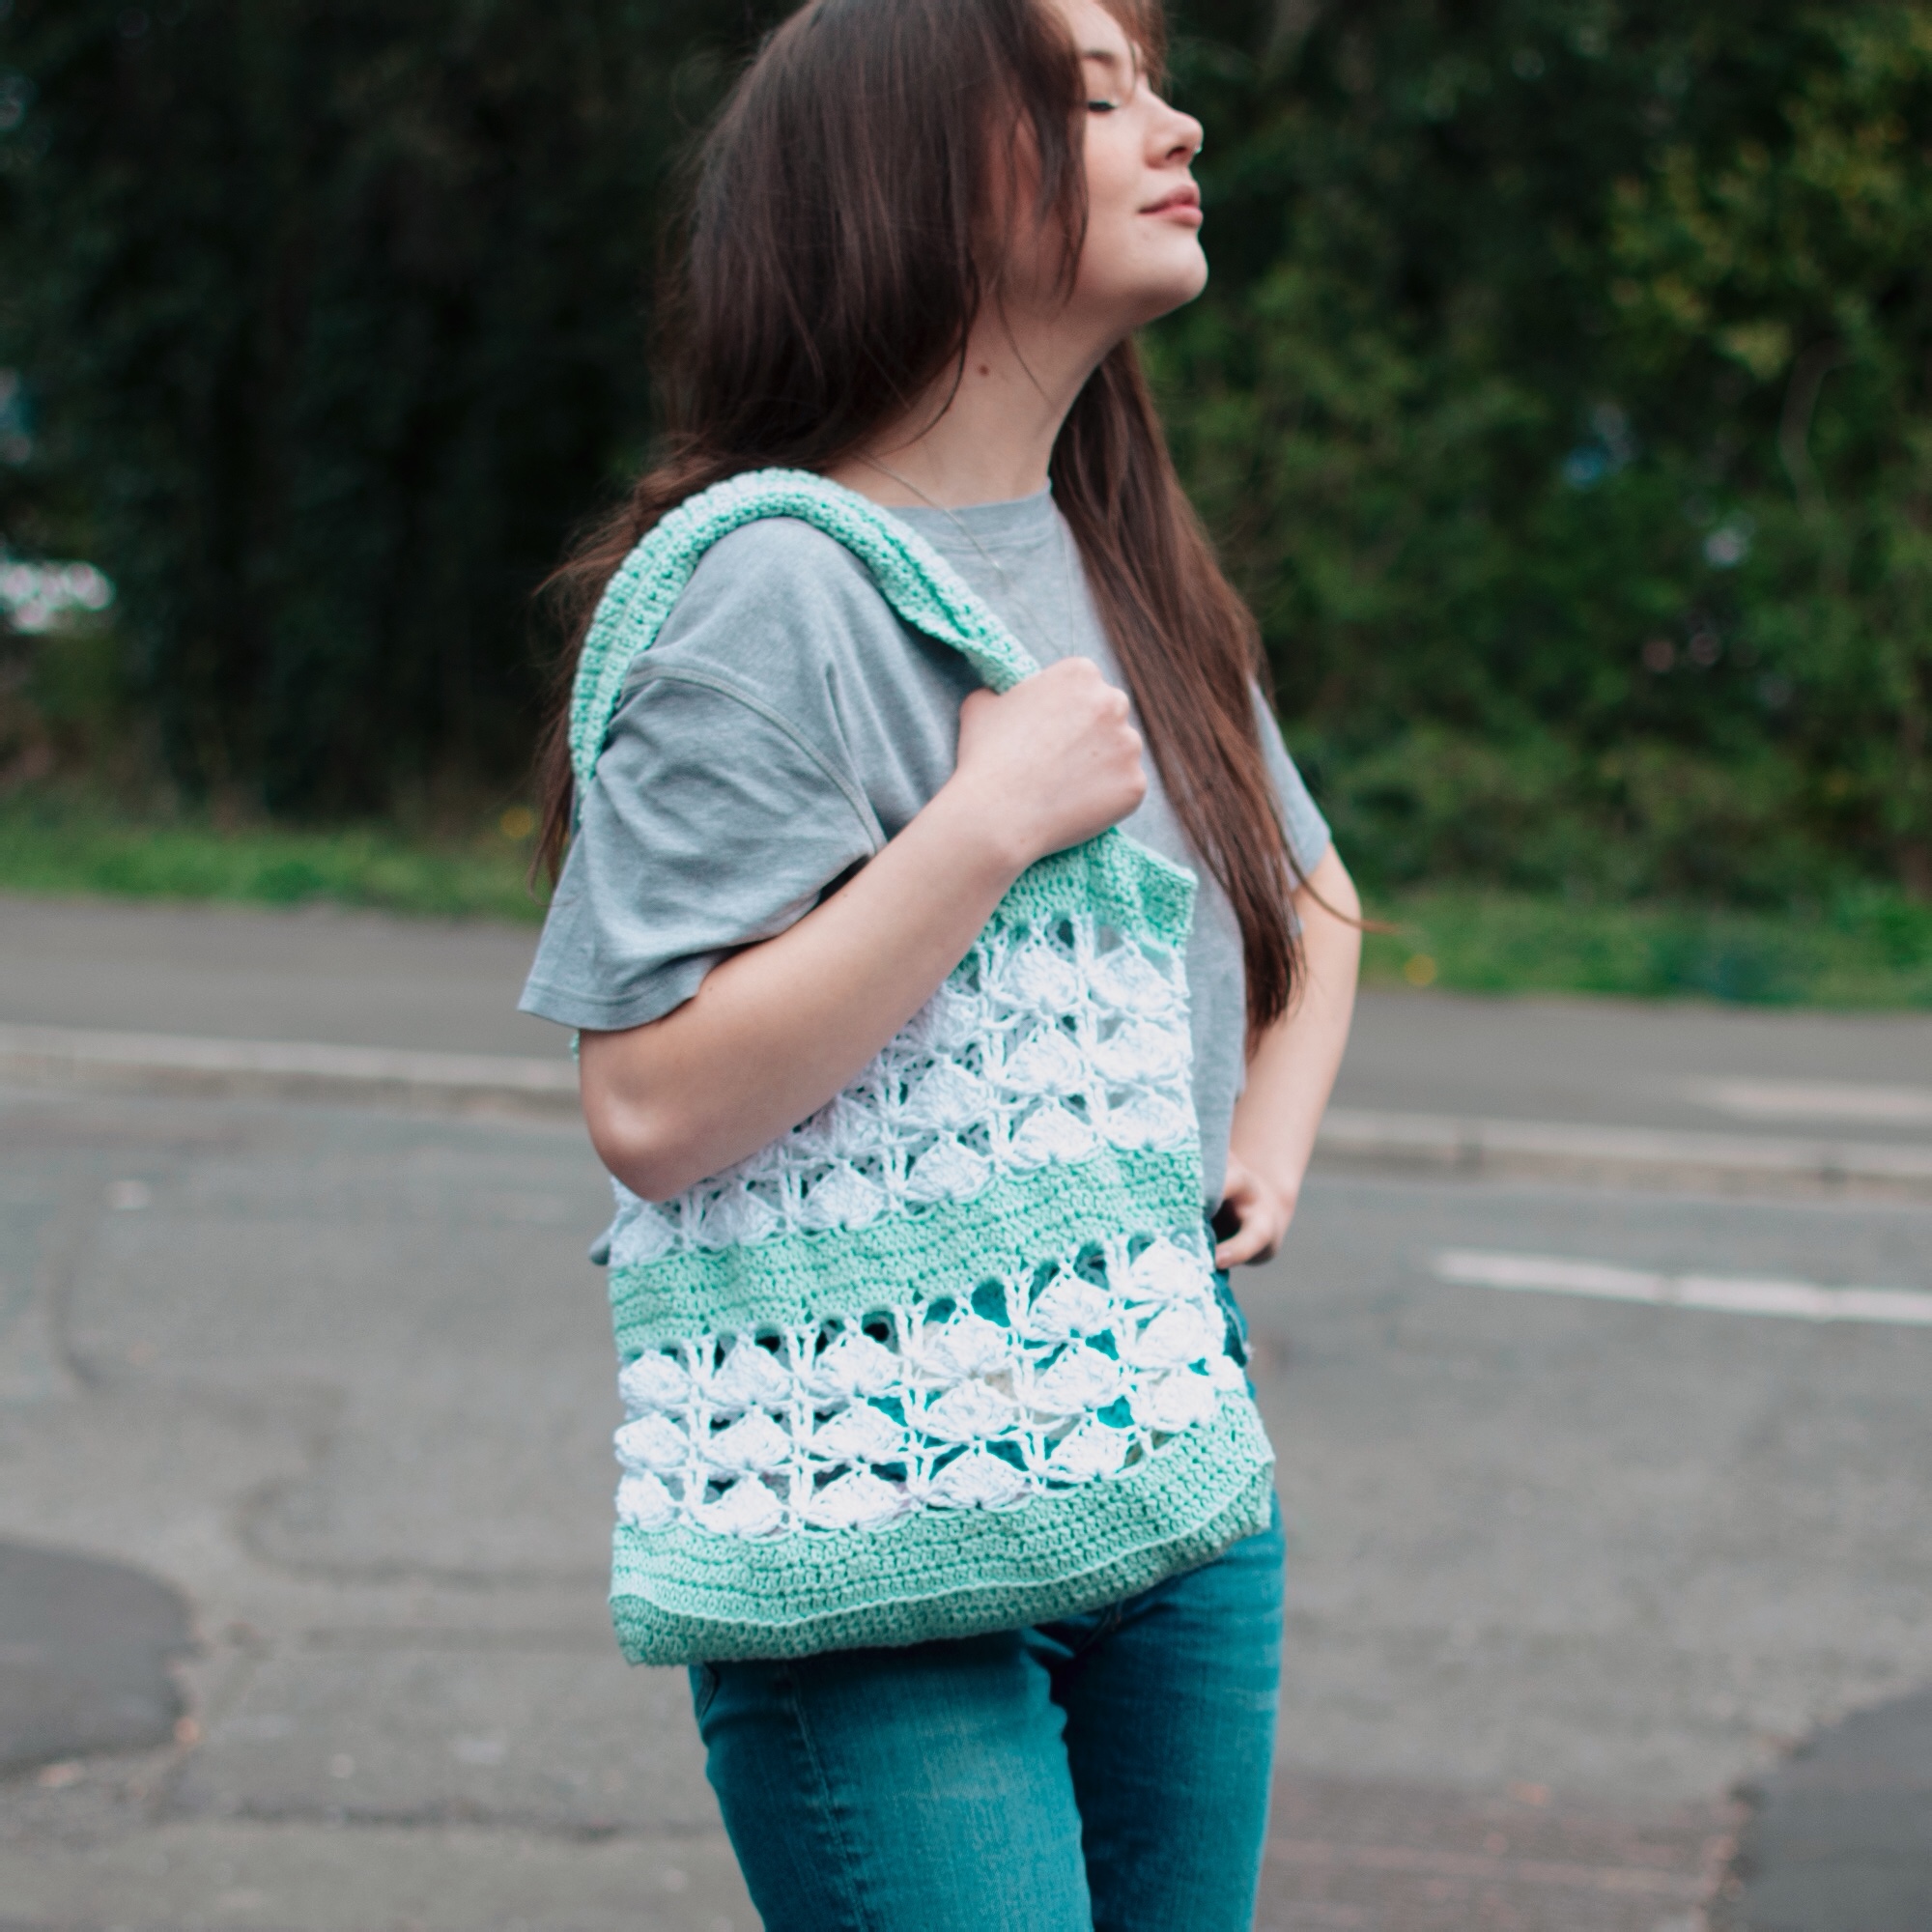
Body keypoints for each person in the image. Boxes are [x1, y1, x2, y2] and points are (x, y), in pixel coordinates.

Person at [519, 0, 1360, 1923]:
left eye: (1153, 85)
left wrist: (1262, 1150)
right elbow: (648, 1102)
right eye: (1097, 96)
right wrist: (982, 825)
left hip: (1163, 1415)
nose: (1178, 125)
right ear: (916, 180)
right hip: (869, 1464)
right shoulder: (772, 588)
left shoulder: (1119, 553)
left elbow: (1309, 899)